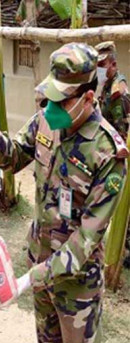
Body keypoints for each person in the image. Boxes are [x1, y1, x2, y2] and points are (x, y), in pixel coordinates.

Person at [0, 43, 127, 343]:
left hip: (77, 287)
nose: (50, 107)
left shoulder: (108, 154)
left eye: (61, 100)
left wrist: (33, 277)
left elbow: (87, 239)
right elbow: (16, 156)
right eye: (50, 97)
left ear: (89, 98)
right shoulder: (46, 120)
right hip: (41, 271)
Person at [93, 41, 130, 269]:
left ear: (113, 64)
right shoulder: (104, 87)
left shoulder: (120, 93)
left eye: (101, 64)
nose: (98, 68)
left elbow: (123, 132)